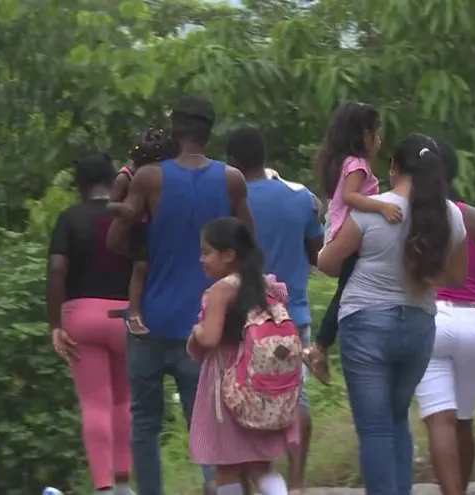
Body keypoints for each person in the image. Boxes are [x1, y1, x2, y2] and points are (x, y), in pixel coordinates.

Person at [106, 96, 254, 495]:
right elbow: (250, 248)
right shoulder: (232, 180)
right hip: (206, 323)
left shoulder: (150, 178)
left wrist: (145, 246)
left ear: (175, 130)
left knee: (144, 422)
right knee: (206, 420)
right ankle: (215, 487)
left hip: (149, 320)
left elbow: (116, 239)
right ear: (210, 132)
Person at [317, 133, 468, 495]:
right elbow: (457, 278)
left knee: (375, 428)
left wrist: (329, 226)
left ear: (394, 167)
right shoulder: (451, 215)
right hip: (418, 326)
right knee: (397, 417)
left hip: (367, 323)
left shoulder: (373, 209)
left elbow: (328, 263)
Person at [226, 126, 323, 494]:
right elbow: (317, 252)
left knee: (239, 397)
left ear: (232, 162)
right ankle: (295, 483)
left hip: (242, 318)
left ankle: (250, 484)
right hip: (292, 316)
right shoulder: (301, 198)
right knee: (296, 395)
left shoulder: (231, 201)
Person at [414, 139, 475, 495]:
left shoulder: (408, 215)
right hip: (473, 323)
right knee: (463, 421)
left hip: (429, 320)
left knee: (440, 420)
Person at [187, 217, 298, 495]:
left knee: (226, 468)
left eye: (206, 252)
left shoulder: (221, 290)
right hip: (261, 387)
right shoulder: (265, 284)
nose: (202, 259)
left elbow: (210, 337)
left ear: (228, 256)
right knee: (263, 467)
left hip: (227, 387)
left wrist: (196, 329)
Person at [47, 152, 135, 495]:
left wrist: (55, 323)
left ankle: (104, 487)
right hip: (126, 315)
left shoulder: (70, 219)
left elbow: (57, 269)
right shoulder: (127, 219)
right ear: (113, 180)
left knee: (95, 403)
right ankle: (126, 484)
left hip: (82, 317)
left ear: (79, 185)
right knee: (124, 402)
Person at [303, 101, 403, 385]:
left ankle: (321, 347)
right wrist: (382, 207)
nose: (380, 140)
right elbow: (350, 197)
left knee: (347, 288)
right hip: (349, 236)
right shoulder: (357, 165)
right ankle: (319, 347)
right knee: (346, 292)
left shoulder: (346, 163)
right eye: (377, 133)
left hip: (346, 233)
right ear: (363, 134)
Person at [109, 127, 175, 335]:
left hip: (153, 227)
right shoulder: (125, 177)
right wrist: (129, 209)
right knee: (140, 266)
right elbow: (110, 205)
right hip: (135, 227)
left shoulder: (159, 176)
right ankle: (134, 313)